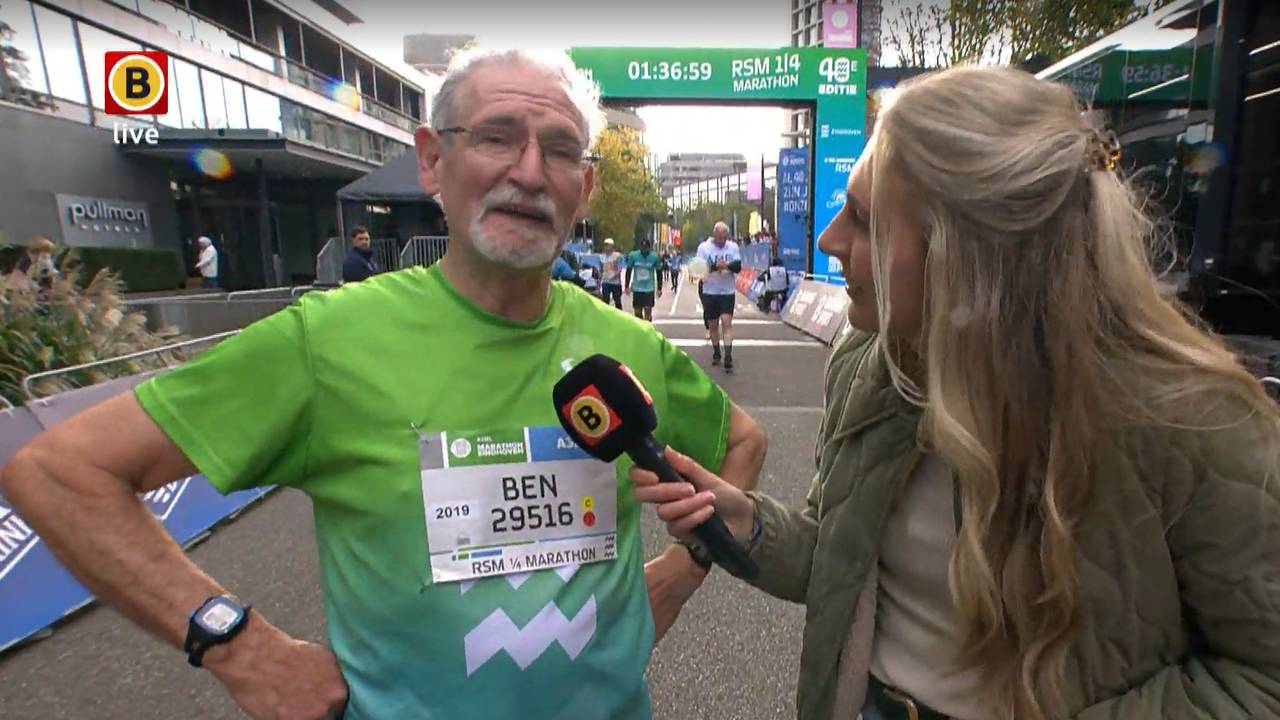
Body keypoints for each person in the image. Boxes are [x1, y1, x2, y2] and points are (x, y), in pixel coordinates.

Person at [1, 47, 766, 720]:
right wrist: (236, 643)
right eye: (496, 136)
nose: (529, 172)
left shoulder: (625, 343)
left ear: (585, 188)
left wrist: (685, 566)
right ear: (432, 159)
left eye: (560, 151)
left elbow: (742, 441)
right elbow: (60, 472)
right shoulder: (325, 342)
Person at [633, 66, 1280, 720]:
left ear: (966, 252)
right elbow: (839, 560)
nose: (829, 242)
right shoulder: (868, 359)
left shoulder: (1196, 420)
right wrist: (742, 521)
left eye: (863, 218)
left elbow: (1263, 677)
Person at [695, 222, 741, 371]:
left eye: (724, 238)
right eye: (719, 238)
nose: (722, 241)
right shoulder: (704, 248)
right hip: (710, 291)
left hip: (727, 292)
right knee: (713, 325)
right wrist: (716, 266)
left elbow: (738, 266)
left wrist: (727, 266)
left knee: (726, 322)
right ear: (714, 235)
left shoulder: (733, 247)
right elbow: (699, 268)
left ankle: (728, 355)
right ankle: (716, 352)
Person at [624, 238, 663, 322]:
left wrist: (659, 288)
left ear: (649, 248)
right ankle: (640, 329)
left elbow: (659, 272)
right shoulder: (633, 256)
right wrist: (626, 286)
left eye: (646, 248)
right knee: (637, 313)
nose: (644, 250)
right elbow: (628, 271)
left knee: (648, 310)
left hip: (649, 288)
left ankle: (648, 326)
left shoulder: (654, 257)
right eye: (642, 248)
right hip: (637, 288)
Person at [598, 237, 625, 309]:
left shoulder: (617, 256)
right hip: (606, 282)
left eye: (608, 245)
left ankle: (619, 316)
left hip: (615, 282)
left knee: (617, 301)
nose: (607, 247)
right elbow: (601, 269)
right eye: (605, 245)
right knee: (605, 301)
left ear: (612, 246)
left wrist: (614, 275)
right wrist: (599, 280)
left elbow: (619, 268)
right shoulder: (601, 257)